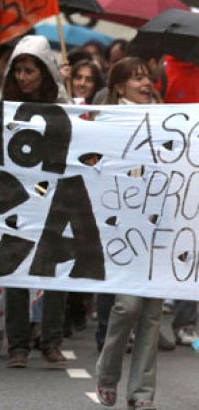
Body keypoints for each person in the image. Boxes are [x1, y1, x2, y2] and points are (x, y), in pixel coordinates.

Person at [0, 34, 71, 370]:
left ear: (45, 72)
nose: (23, 78)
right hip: (16, 197)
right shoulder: (4, 107)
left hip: (55, 196)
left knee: (54, 271)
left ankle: (51, 341)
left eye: (30, 71)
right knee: (16, 270)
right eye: (19, 71)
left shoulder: (65, 107)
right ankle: (18, 346)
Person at [95, 57, 163, 410]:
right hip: (121, 227)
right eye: (137, 79)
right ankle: (107, 374)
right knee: (127, 306)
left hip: (161, 227)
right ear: (119, 86)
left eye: (148, 77)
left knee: (152, 313)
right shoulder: (107, 120)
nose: (145, 83)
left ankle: (141, 393)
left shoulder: (171, 118)